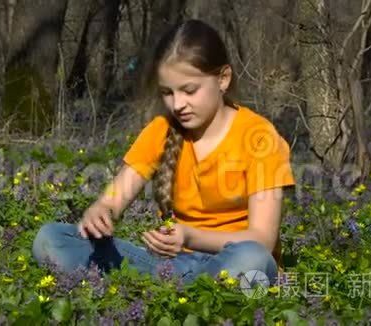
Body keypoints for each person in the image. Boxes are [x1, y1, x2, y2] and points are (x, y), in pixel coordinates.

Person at [32, 19, 296, 286]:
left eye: (189, 90)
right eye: (167, 93)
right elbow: (113, 201)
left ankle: (156, 291)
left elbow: (263, 238)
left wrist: (190, 237)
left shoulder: (259, 137)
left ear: (223, 79)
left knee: (254, 260)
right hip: (170, 265)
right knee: (50, 239)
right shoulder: (161, 130)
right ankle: (188, 293)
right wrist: (99, 212)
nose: (178, 104)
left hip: (233, 261)